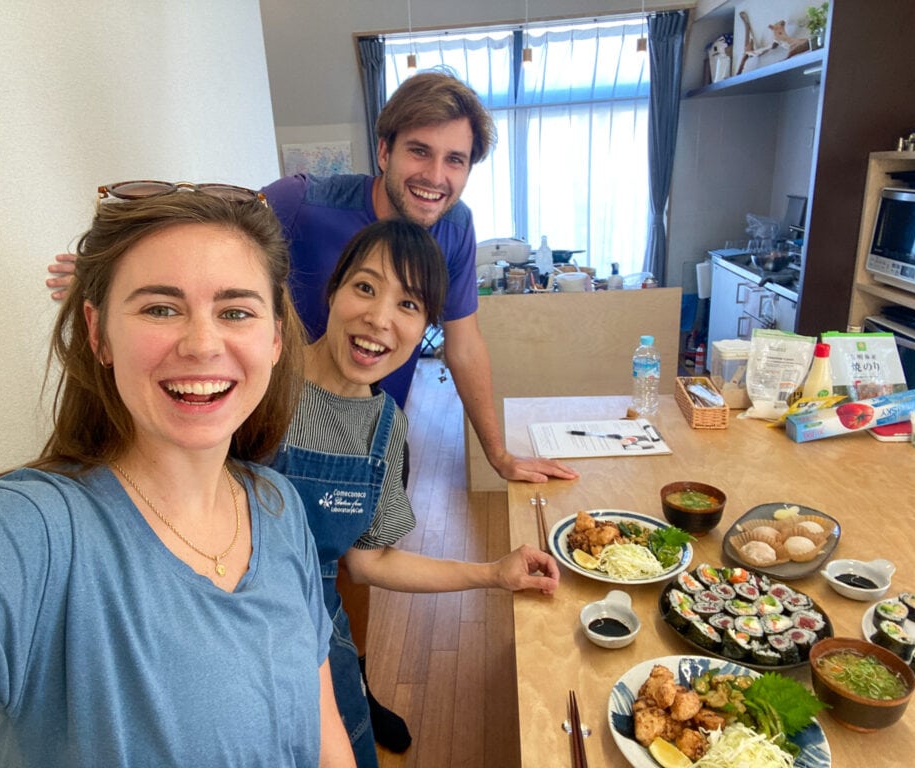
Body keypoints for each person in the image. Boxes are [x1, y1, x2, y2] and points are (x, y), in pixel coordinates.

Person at [44, 70, 578, 750]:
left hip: (362, 425)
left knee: (336, 574)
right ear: (383, 150)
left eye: (456, 160)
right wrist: (110, 273)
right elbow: (208, 231)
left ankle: (353, 678)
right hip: (273, 407)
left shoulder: (454, 237)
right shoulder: (303, 205)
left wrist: (499, 456)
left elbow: (466, 346)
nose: (435, 175)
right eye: (420, 150)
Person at [0, 183, 356, 768]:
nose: (202, 344)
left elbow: (323, 730)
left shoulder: (276, 504)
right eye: (160, 308)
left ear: (275, 338)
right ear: (98, 334)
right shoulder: (32, 531)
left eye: (235, 311)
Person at [273, 218, 559, 766]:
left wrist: (493, 573)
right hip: (224, 636)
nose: (379, 319)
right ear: (333, 290)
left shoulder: (385, 428)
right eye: (365, 287)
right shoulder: (259, 380)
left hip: (316, 638)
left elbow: (371, 560)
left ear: (428, 324)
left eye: (409, 305)